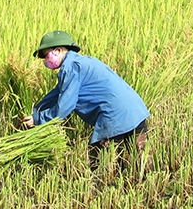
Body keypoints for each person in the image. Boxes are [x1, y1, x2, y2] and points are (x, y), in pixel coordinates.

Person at [22, 31, 150, 169]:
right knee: (142, 160)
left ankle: (103, 188)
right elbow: (57, 93)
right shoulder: (82, 62)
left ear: (58, 50)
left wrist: (38, 119)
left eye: (46, 56)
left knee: (101, 163)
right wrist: (37, 110)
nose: (45, 62)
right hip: (136, 111)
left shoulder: (71, 67)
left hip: (114, 117)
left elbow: (64, 107)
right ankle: (145, 185)